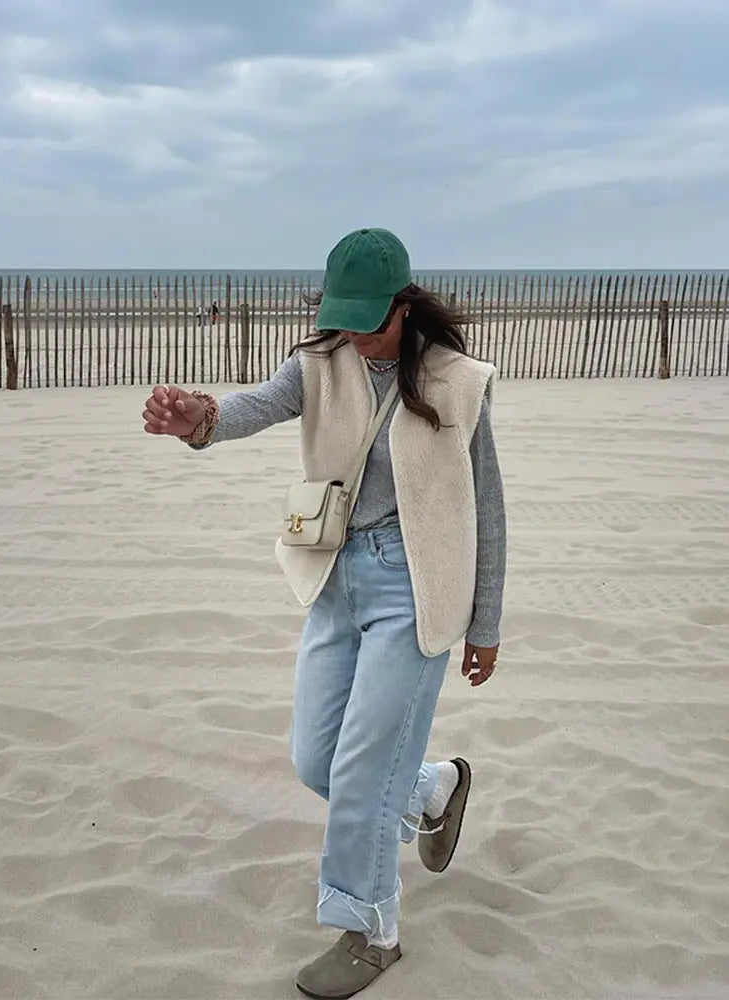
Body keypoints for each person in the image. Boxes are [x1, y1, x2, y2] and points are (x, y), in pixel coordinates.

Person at [142, 228, 506, 999]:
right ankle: (433, 789)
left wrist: (486, 625)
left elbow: (490, 506)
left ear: (404, 306)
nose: (357, 334)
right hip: (335, 579)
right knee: (318, 760)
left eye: (371, 320)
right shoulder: (318, 362)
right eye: (345, 317)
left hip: (416, 588)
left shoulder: (457, 381)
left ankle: (371, 931)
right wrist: (200, 418)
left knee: (364, 770)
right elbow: (256, 406)